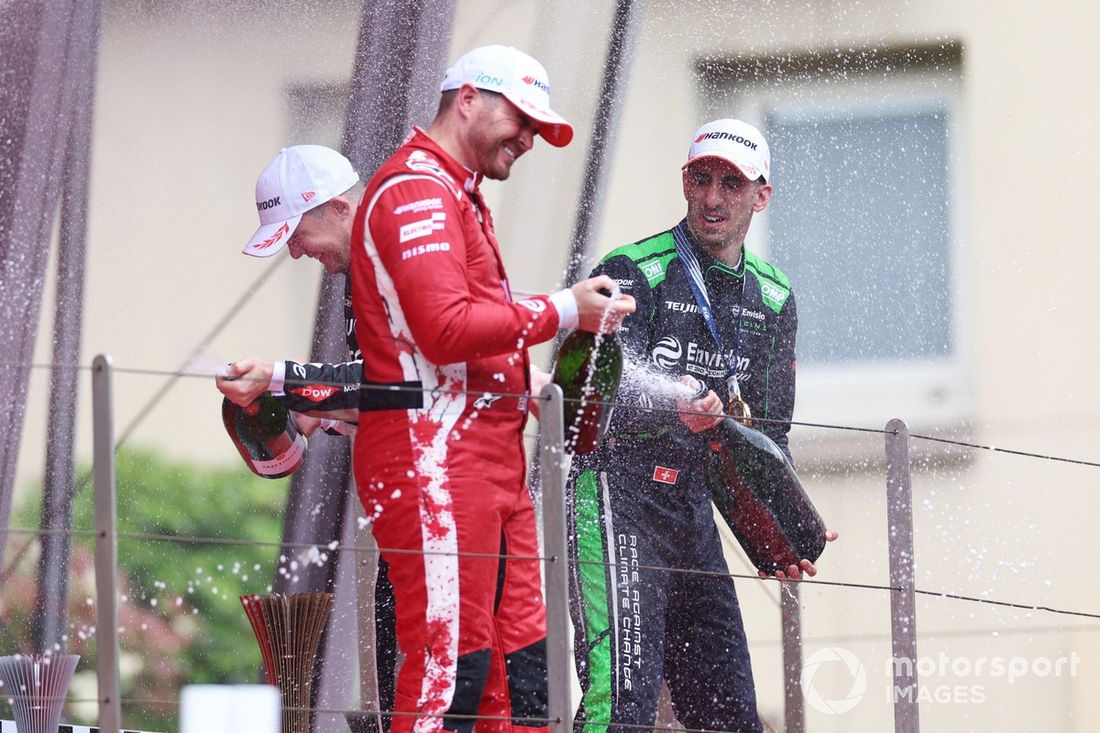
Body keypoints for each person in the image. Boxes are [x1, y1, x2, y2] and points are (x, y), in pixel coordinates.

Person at [347, 45, 635, 733]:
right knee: (453, 672)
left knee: (524, 676)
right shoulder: (414, 189)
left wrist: (523, 379)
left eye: (540, 128)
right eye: (523, 120)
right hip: (434, 461)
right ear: (468, 98)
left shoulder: (459, 192)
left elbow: (452, 339)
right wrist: (567, 309)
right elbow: (444, 329)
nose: (530, 140)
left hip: (490, 462)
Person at [566, 119, 838, 733]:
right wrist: (671, 404)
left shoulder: (773, 296)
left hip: (691, 507)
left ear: (761, 195)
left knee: (731, 714)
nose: (713, 198)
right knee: (623, 705)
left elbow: (767, 434)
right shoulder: (636, 269)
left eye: (732, 184)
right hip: (614, 495)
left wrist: (782, 518)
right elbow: (587, 388)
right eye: (701, 178)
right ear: (685, 182)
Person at [215, 144, 397, 733]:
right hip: (404, 511)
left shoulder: (400, 256)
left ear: (340, 209)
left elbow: (405, 385)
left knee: (445, 699)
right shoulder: (358, 270)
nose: (294, 250)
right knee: (399, 697)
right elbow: (383, 397)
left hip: (459, 508)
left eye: (296, 233)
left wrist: (289, 379)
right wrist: (316, 411)